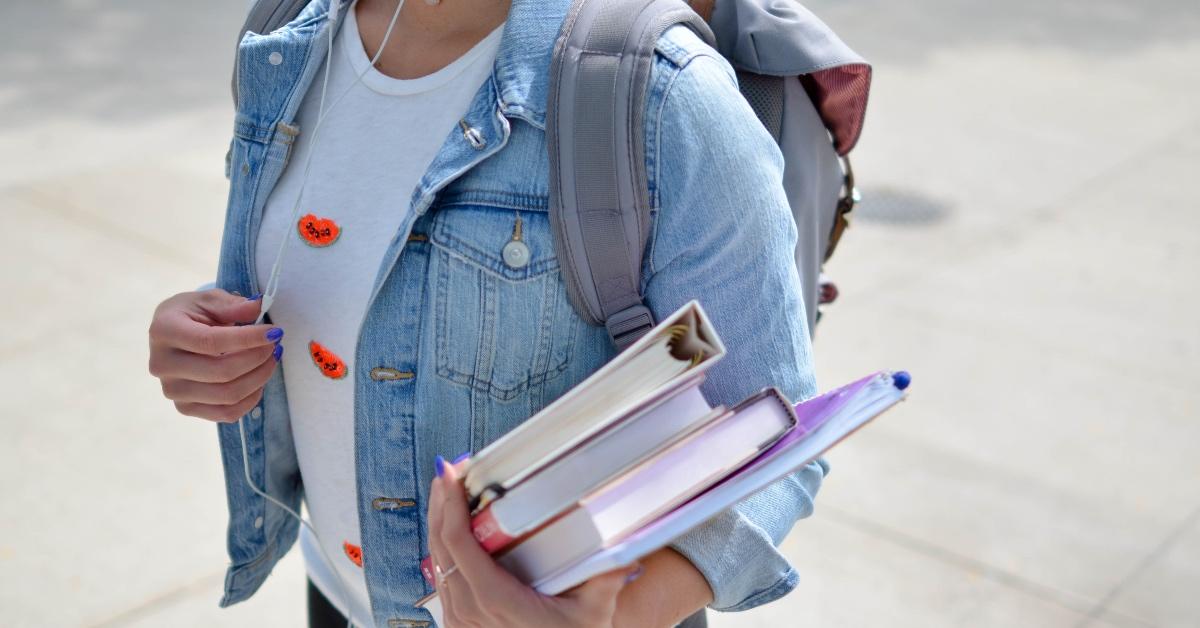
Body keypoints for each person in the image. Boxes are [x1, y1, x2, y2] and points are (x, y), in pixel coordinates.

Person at [147, 0, 826, 625]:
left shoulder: (660, 94)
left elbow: (773, 432)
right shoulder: (289, 32)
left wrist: (619, 617)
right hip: (338, 595)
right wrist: (206, 342)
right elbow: (325, 282)